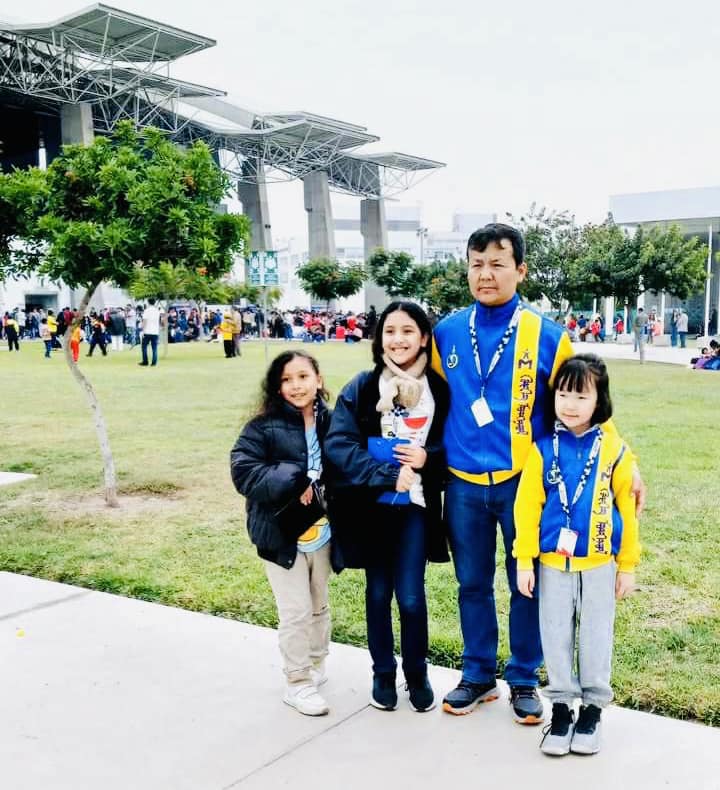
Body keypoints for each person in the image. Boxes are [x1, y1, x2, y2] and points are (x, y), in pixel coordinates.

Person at [430, 223, 645, 725]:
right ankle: (477, 674)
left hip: (525, 484)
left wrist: (627, 461)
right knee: (471, 583)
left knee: (526, 583)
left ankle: (524, 677)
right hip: (462, 485)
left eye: (497, 264)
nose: (485, 274)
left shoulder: (548, 336)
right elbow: (424, 398)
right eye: (476, 264)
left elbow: (590, 402)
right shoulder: (447, 333)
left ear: (520, 270)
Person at [325, 302, 449, 713]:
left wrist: (428, 457)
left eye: (408, 331)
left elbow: (455, 445)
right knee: (378, 594)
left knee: (411, 597)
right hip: (372, 507)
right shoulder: (363, 387)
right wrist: (383, 474)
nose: (398, 339)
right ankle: (382, 673)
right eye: (390, 331)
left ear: (424, 338)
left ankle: (417, 673)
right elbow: (339, 444)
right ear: (379, 339)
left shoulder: (438, 389)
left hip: (415, 508)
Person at [514, 354, 639, 756]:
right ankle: (562, 709)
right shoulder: (542, 450)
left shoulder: (616, 452)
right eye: (563, 394)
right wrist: (524, 559)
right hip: (553, 564)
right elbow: (527, 508)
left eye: (581, 396)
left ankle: (592, 711)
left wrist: (627, 565)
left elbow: (628, 511)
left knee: (596, 636)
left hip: (600, 564)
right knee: (555, 635)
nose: (569, 404)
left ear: (600, 401)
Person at [230, 351, 338, 717]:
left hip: (322, 534)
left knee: (319, 605)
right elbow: (243, 471)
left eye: (303, 376)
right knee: (296, 612)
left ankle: (316, 663)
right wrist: (294, 480)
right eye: (287, 379)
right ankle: (297, 682)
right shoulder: (262, 427)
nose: (296, 386)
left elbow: (347, 463)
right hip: (280, 535)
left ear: (318, 380)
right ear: (277, 387)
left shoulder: (333, 421)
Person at [139, 297, 161, 367]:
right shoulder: (157, 311)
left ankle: (145, 361)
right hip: (155, 331)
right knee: (154, 348)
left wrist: (142, 329)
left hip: (147, 331)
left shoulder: (147, 311)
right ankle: (154, 362)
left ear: (148, 302)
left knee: (144, 347)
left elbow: (145, 321)